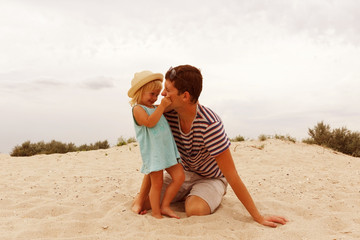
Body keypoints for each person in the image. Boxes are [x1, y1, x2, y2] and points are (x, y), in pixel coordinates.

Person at [132, 65, 288, 227]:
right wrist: (140, 199)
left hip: (210, 178)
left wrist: (258, 217)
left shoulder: (210, 125)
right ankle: (183, 195)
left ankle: (201, 196)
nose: (162, 94)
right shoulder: (165, 114)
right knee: (145, 203)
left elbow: (231, 174)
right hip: (181, 173)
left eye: (167, 90)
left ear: (185, 96)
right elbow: (155, 155)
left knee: (195, 209)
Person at [128, 70, 185, 219]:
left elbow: (170, 104)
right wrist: (161, 107)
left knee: (179, 177)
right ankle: (156, 213)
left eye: (157, 94)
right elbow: (149, 122)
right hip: (154, 153)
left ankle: (165, 205)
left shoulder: (155, 108)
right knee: (157, 184)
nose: (155, 98)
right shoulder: (137, 109)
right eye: (151, 94)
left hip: (167, 150)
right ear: (140, 92)